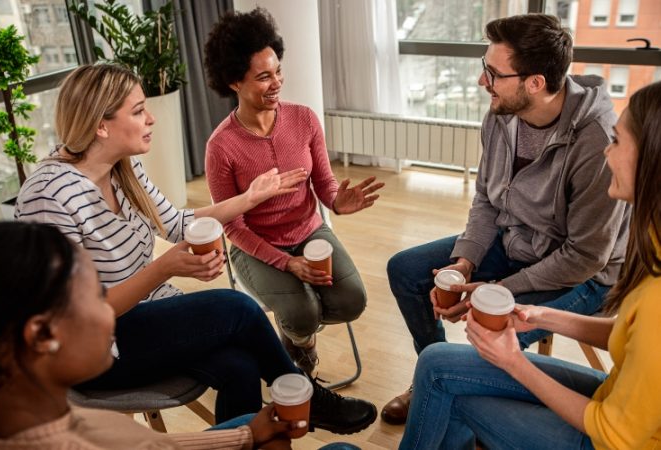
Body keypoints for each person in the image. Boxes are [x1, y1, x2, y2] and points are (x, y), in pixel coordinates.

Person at [14, 63, 377, 435]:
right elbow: (73, 319)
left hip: (145, 317)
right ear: (101, 125)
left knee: (241, 367)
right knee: (235, 307)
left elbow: (177, 223)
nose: (151, 118)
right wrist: (162, 269)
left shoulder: (122, 169)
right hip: (93, 350)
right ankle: (305, 395)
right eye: (138, 111)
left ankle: (242, 441)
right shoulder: (50, 196)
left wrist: (250, 198)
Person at [382, 13, 630, 425]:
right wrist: (465, 262)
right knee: (406, 271)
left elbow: (586, 255)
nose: (483, 82)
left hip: (584, 274)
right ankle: (429, 373)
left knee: (491, 338)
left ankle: (469, 412)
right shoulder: (501, 113)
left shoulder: (596, 142)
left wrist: (497, 289)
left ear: (535, 82)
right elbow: (486, 199)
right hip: (516, 240)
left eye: (493, 73)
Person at [399, 80, 661, 450]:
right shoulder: (652, 245)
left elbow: (615, 434)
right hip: (614, 394)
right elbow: (628, 334)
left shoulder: (657, 299)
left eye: (618, 141)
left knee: (450, 383)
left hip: (610, 438)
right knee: (436, 362)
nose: (607, 152)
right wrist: (539, 314)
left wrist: (513, 362)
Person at [0, 221, 366, 450]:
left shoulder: (46, 421)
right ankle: (308, 394)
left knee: (240, 370)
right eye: (95, 298)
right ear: (41, 334)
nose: (111, 309)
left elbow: (157, 447)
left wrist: (245, 436)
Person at [203, 8, 384, 375]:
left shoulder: (304, 119)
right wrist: (288, 264)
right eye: (263, 77)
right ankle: (300, 338)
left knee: (352, 301)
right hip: (254, 244)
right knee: (303, 311)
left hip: (309, 232)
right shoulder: (221, 147)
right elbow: (233, 226)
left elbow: (324, 184)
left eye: (278, 71)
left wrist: (336, 201)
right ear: (235, 82)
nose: (277, 83)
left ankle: (295, 331)